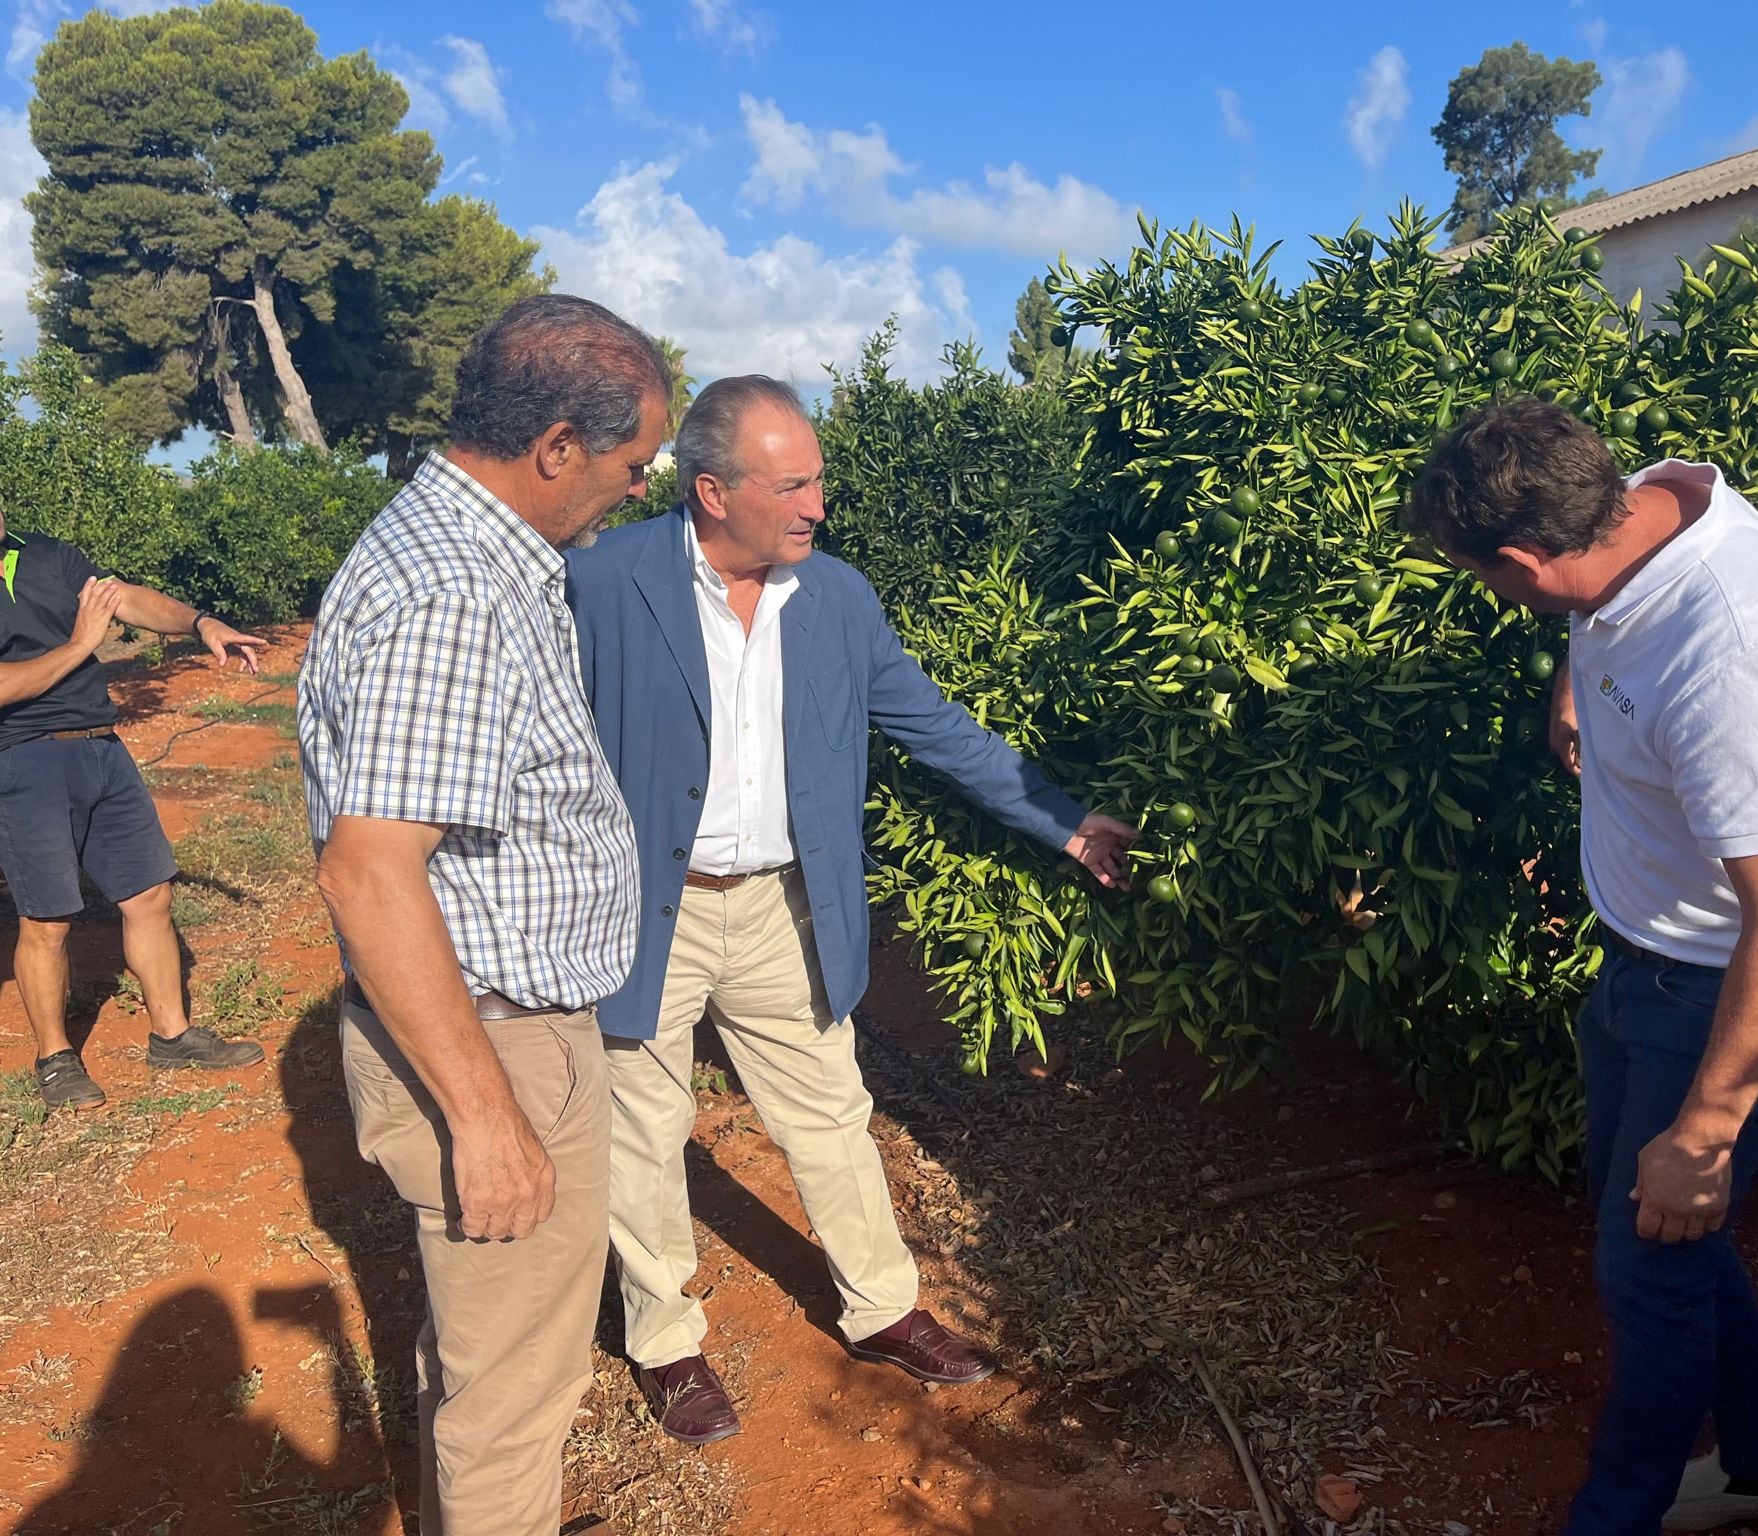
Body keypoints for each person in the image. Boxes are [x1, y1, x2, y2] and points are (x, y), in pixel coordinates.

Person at [567, 375, 1136, 1446]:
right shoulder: (601, 580)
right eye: (792, 484)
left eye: (817, 480)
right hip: (645, 910)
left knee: (829, 1112)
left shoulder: (835, 597)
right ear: (709, 491)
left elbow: (933, 723)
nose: (817, 506)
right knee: (642, 1131)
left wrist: (1061, 822)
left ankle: (881, 1308)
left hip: (786, 906)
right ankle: (664, 1341)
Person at [1403, 396, 1758, 1536]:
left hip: (1724, 993)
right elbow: (1608, 610)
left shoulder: (1739, 661)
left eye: (1484, 577)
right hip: (1646, 965)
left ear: (1522, 558)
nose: (1493, 595)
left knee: (1648, 1264)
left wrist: (1706, 1134)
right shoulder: (1653, 506)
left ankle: (1612, 1515)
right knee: (1659, 1231)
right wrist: (1579, 674)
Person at [298, 294, 671, 1536]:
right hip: (495, 1039)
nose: (631, 489)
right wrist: (486, 1117)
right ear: (556, 445)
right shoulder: (455, 594)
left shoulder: (463, 556)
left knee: (482, 1360)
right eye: (627, 465)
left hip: (500, 1024)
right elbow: (368, 873)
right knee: (514, 1398)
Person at [0, 505, 268, 1108]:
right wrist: (80, 645)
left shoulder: (44, 552)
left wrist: (200, 623)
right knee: (47, 918)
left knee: (148, 894)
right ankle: (54, 1057)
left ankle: (172, 1036)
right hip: (21, 759)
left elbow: (124, 599)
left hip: (100, 747)